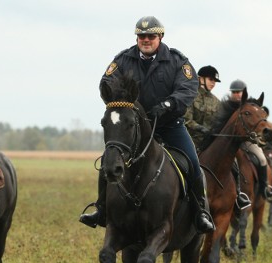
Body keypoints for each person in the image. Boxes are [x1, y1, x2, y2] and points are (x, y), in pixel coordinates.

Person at [79, 16, 214, 233]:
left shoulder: (177, 61)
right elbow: (106, 82)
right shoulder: (123, 60)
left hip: (169, 125)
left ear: (160, 36)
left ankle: (200, 212)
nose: (146, 40)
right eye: (141, 36)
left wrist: (168, 105)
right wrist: (120, 104)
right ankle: (101, 210)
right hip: (134, 128)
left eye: (151, 36)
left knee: (193, 162)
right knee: (108, 158)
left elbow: (188, 88)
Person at [184, 66, 250, 210]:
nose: (213, 83)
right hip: (192, 140)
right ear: (201, 79)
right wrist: (202, 129)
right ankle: (184, 194)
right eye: (211, 79)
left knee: (234, 164)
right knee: (187, 163)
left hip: (211, 141)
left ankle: (238, 195)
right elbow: (187, 121)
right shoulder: (191, 96)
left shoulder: (216, 101)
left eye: (215, 81)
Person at [227, 79, 272, 203]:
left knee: (262, 158)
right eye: (235, 92)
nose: (237, 94)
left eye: (239, 92)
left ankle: (265, 187)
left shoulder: (248, 107)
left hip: (246, 141)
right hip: (229, 142)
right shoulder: (226, 106)